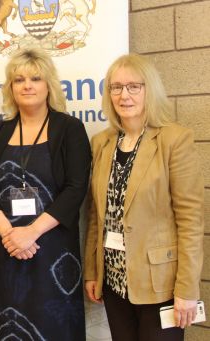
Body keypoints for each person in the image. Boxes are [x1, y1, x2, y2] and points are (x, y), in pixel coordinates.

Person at [84, 54, 204, 341]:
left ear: (149, 90)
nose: (123, 95)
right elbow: (95, 215)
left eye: (133, 87)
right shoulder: (102, 143)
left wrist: (187, 289)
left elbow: (190, 222)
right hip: (113, 281)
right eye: (116, 87)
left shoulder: (174, 140)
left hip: (160, 284)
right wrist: (93, 271)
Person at [0, 48, 91, 340]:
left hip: (53, 250)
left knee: (56, 326)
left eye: (35, 78)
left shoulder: (69, 129)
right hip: (9, 247)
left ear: (48, 84)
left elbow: (76, 188)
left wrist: (31, 233)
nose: (27, 85)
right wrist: (10, 233)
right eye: (19, 79)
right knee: (12, 325)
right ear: (10, 88)